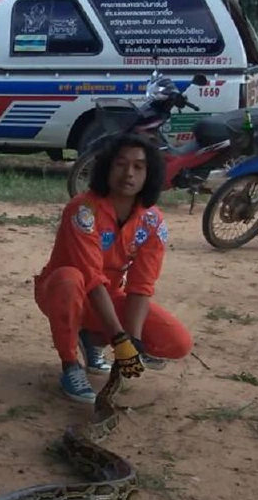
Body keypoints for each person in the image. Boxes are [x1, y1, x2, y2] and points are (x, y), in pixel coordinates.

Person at [34, 133, 193, 403]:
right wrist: (119, 338)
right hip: (63, 292)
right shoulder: (82, 210)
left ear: (149, 173)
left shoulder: (153, 221)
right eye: (120, 164)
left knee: (178, 342)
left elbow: (141, 286)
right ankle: (70, 364)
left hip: (107, 298)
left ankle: (92, 340)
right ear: (106, 167)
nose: (128, 173)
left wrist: (134, 340)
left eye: (139, 166)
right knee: (71, 279)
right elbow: (92, 278)